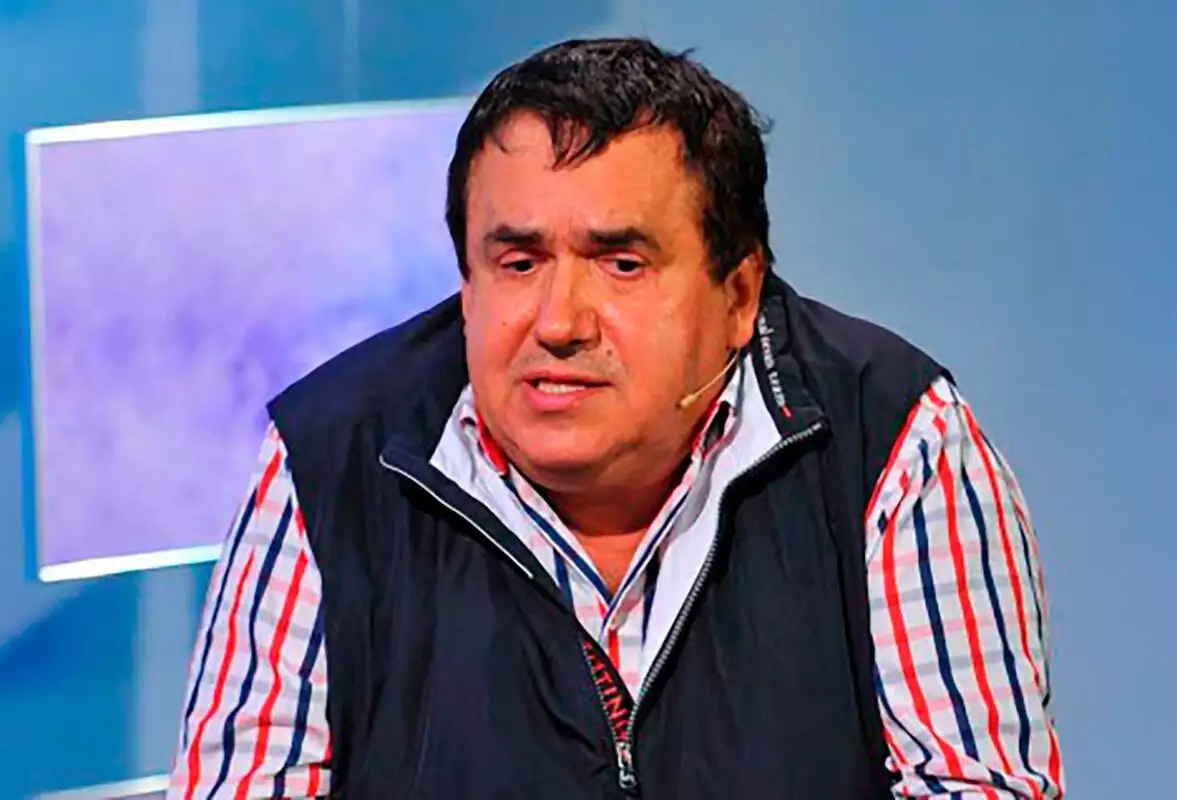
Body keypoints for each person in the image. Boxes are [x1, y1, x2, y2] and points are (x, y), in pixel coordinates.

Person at [169, 37, 1064, 799]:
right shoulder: (331, 458)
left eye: (621, 264)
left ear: (738, 293)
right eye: (518, 262)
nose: (559, 322)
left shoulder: (893, 440)